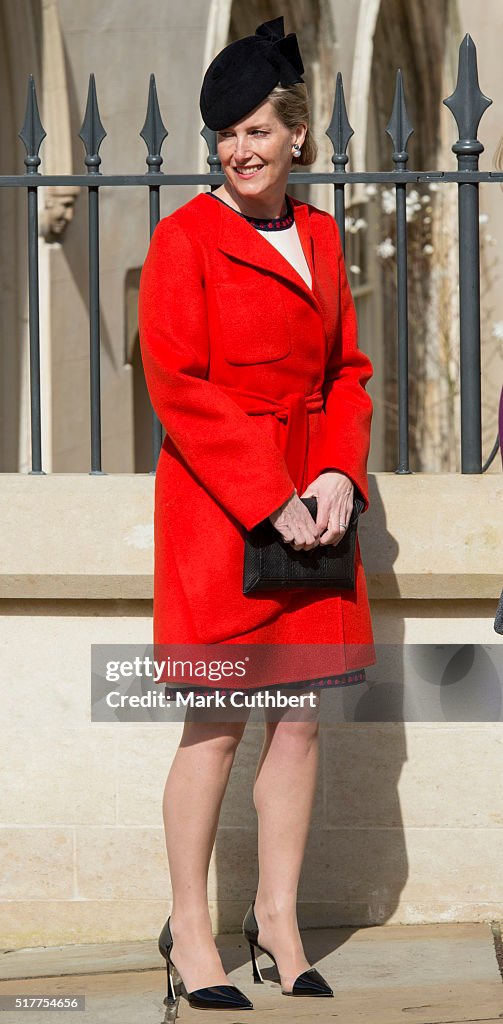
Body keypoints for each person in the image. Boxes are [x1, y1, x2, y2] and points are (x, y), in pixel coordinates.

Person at [138, 15, 375, 1014]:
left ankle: (276, 920)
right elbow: (178, 384)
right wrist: (267, 491)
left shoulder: (320, 237)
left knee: (299, 722)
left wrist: (333, 477)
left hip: (311, 515)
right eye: (223, 131)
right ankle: (190, 928)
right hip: (219, 510)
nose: (237, 147)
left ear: (297, 137)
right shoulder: (183, 237)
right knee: (216, 721)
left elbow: (346, 374)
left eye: (255, 129)